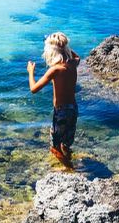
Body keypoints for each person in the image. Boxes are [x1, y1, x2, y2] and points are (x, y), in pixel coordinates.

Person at [27, 31, 80, 167]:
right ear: (66, 48)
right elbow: (77, 56)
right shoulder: (73, 63)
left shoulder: (55, 70)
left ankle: (70, 170)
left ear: (51, 51)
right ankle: (69, 162)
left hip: (61, 112)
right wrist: (63, 47)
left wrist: (31, 72)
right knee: (65, 144)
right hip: (73, 109)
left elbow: (34, 89)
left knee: (54, 147)